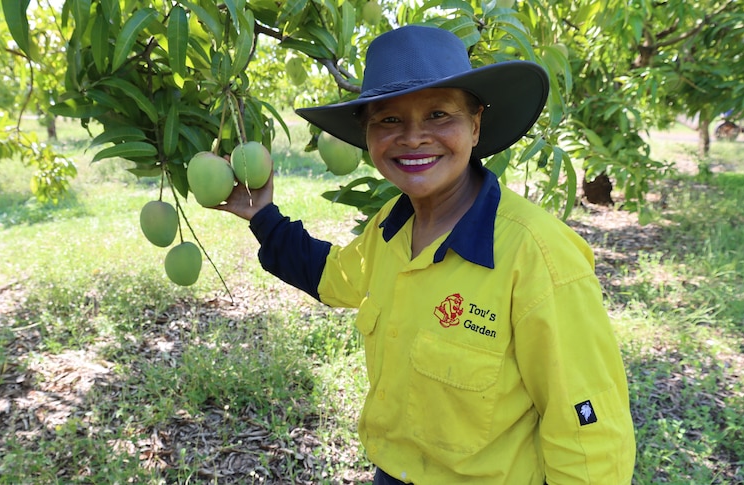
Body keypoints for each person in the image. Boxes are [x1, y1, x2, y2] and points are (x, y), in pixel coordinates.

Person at [214, 25, 636, 484]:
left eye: (439, 115)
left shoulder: (538, 255)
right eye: (389, 120)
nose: (413, 138)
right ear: (368, 136)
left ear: (475, 127)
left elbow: (588, 434)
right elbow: (336, 278)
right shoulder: (393, 227)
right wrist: (263, 217)